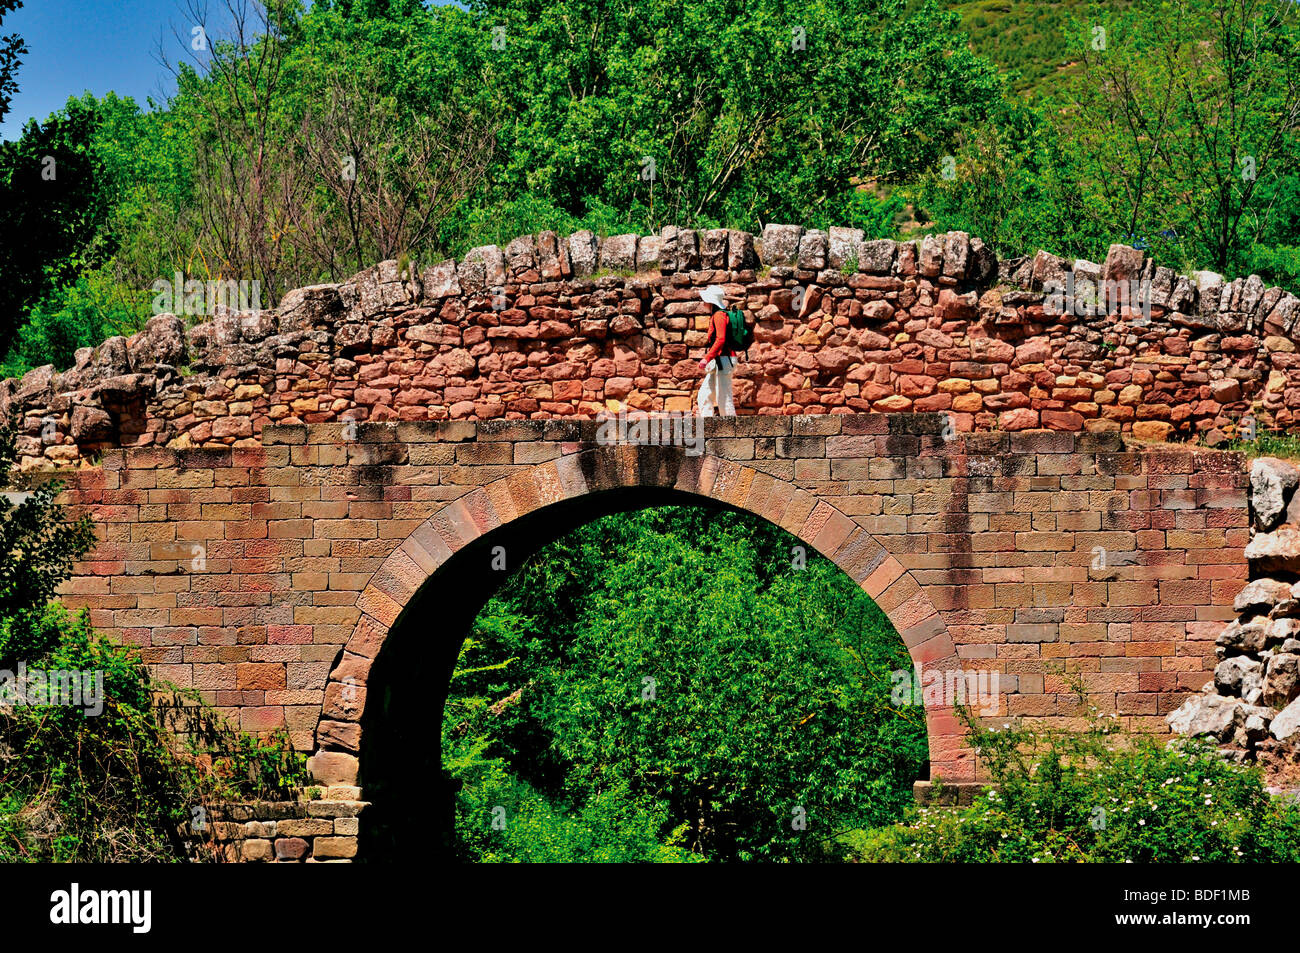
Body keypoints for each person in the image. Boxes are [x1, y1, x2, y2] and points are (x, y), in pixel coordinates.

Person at [697, 285, 737, 417]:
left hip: (725, 360)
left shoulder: (719, 315)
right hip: (719, 360)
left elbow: (721, 339)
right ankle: (707, 426)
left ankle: (733, 431)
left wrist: (706, 358)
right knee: (704, 394)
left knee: (724, 397)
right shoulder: (717, 314)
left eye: (705, 300)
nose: (703, 302)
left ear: (710, 301)